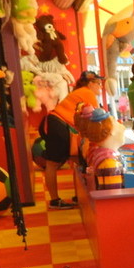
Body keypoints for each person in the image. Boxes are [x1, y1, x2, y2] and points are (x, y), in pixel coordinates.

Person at [41, 70, 103, 209]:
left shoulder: (81, 92)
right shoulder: (87, 93)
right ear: (91, 83)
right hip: (59, 124)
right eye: (99, 83)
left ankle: (77, 196)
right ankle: (55, 200)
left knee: (76, 159)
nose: (101, 87)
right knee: (52, 163)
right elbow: (97, 118)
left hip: (59, 124)